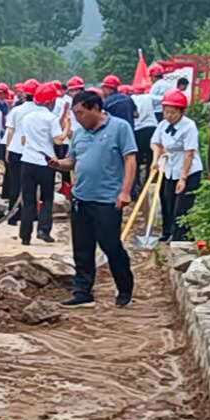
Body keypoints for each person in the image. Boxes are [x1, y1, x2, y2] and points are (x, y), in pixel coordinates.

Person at [48, 89, 138, 308]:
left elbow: (130, 160)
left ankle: (125, 288)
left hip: (107, 200)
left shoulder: (119, 128)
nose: (78, 118)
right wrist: (59, 164)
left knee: (110, 245)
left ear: (95, 108)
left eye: (81, 113)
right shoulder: (79, 133)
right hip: (81, 198)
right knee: (82, 247)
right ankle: (82, 291)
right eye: (75, 114)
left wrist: (125, 191)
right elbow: (73, 160)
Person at [6, 81, 59, 246]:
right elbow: (57, 140)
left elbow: (19, 136)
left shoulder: (26, 117)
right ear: (50, 101)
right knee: (47, 198)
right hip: (46, 163)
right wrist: (66, 131)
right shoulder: (51, 118)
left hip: (27, 161)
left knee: (28, 199)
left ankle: (25, 234)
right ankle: (44, 229)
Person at [152, 88, 201, 242]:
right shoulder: (163, 124)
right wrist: (155, 160)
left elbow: (189, 153)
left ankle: (180, 239)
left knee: (182, 206)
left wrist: (183, 178)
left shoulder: (189, 126)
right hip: (169, 168)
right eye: (166, 112)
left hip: (188, 171)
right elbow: (156, 143)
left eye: (172, 112)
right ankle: (167, 233)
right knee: (167, 201)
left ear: (181, 112)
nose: (169, 116)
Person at [131, 82, 159, 175]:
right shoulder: (149, 97)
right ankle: (149, 177)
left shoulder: (131, 98)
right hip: (151, 128)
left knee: (137, 157)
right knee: (151, 155)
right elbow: (162, 99)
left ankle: (137, 179)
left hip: (137, 129)